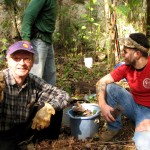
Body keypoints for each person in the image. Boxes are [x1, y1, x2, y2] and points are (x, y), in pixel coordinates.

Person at [0, 41, 69, 150]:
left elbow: (63, 95)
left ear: (32, 62)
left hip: (25, 130)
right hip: (3, 134)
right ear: (8, 61)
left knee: (54, 108)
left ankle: (47, 144)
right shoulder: (2, 79)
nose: (22, 63)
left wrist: (48, 108)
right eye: (16, 59)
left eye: (27, 59)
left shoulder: (34, 81)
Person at [96, 33, 150, 150]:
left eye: (125, 51)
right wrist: (102, 105)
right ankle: (114, 127)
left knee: (144, 144)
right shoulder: (126, 67)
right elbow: (101, 82)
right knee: (110, 88)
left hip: (147, 112)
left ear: (137, 54)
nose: (122, 54)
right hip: (133, 104)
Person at [21, 0, 57, 85]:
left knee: (50, 74)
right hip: (38, 40)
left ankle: (50, 96)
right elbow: (28, 15)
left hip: (47, 40)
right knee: (36, 74)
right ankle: (32, 96)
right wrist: (26, 38)